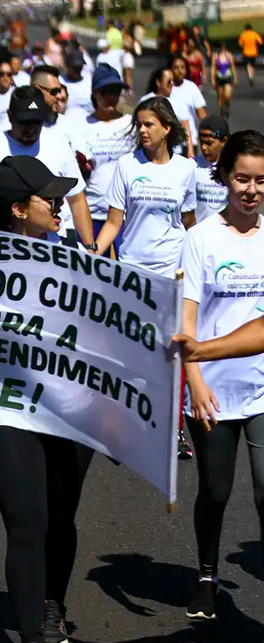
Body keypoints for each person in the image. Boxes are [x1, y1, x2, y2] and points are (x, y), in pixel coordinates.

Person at [0, 155, 91, 643]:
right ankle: (33, 637)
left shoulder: (72, 252)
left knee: (60, 519)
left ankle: (52, 602)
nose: (60, 204)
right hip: (5, 408)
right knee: (27, 524)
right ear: (18, 209)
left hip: (70, 410)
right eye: (49, 197)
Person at [172, 130, 264, 621]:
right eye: (243, 178)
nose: (251, 190)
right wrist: (197, 380)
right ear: (225, 176)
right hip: (212, 391)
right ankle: (207, 576)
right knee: (216, 490)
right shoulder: (200, 238)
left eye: (261, 181)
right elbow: (186, 326)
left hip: (262, 386)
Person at [0, 87, 95, 250]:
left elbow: (77, 199)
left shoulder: (59, 145)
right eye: (24, 122)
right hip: (6, 246)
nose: (31, 129)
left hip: (55, 243)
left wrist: (90, 248)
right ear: (10, 116)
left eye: (36, 122)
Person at [97, 96, 196, 274]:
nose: (142, 130)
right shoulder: (126, 164)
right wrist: (91, 253)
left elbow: (188, 221)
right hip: (130, 266)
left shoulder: (186, 168)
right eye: (139, 125)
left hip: (171, 268)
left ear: (166, 128)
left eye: (148, 125)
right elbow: (113, 223)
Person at [79, 64, 134, 257]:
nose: (111, 97)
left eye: (115, 91)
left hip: (126, 214)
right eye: (105, 92)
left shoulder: (131, 124)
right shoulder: (81, 126)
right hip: (93, 213)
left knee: (126, 274)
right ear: (95, 93)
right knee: (93, 274)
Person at [192, 115, 230, 223]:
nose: (203, 148)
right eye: (201, 142)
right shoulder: (192, 166)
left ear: (223, 141)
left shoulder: (233, 168)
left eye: (209, 143)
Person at [169, 56, 207, 158]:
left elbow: (201, 113)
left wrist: (208, 131)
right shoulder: (166, 88)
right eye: (175, 67)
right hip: (171, 142)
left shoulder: (191, 87)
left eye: (182, 67)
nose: (179, 71)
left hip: (190, 141)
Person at [61, 50, 92, 120]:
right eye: (74, 68)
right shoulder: (61, 82)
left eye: (79, 68)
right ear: (68, 67)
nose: (77, 71)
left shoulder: (89, 82)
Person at [211, 41, 237, 118]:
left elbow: (233, 67)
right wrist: (213, 79)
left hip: (227, 77)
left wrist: (235, 78)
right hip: (219, 77)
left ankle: (227, 105)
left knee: (227, 95)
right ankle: (222, 108)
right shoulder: (215, 56)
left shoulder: (229, 55)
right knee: (220, 95)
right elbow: (213, 67)